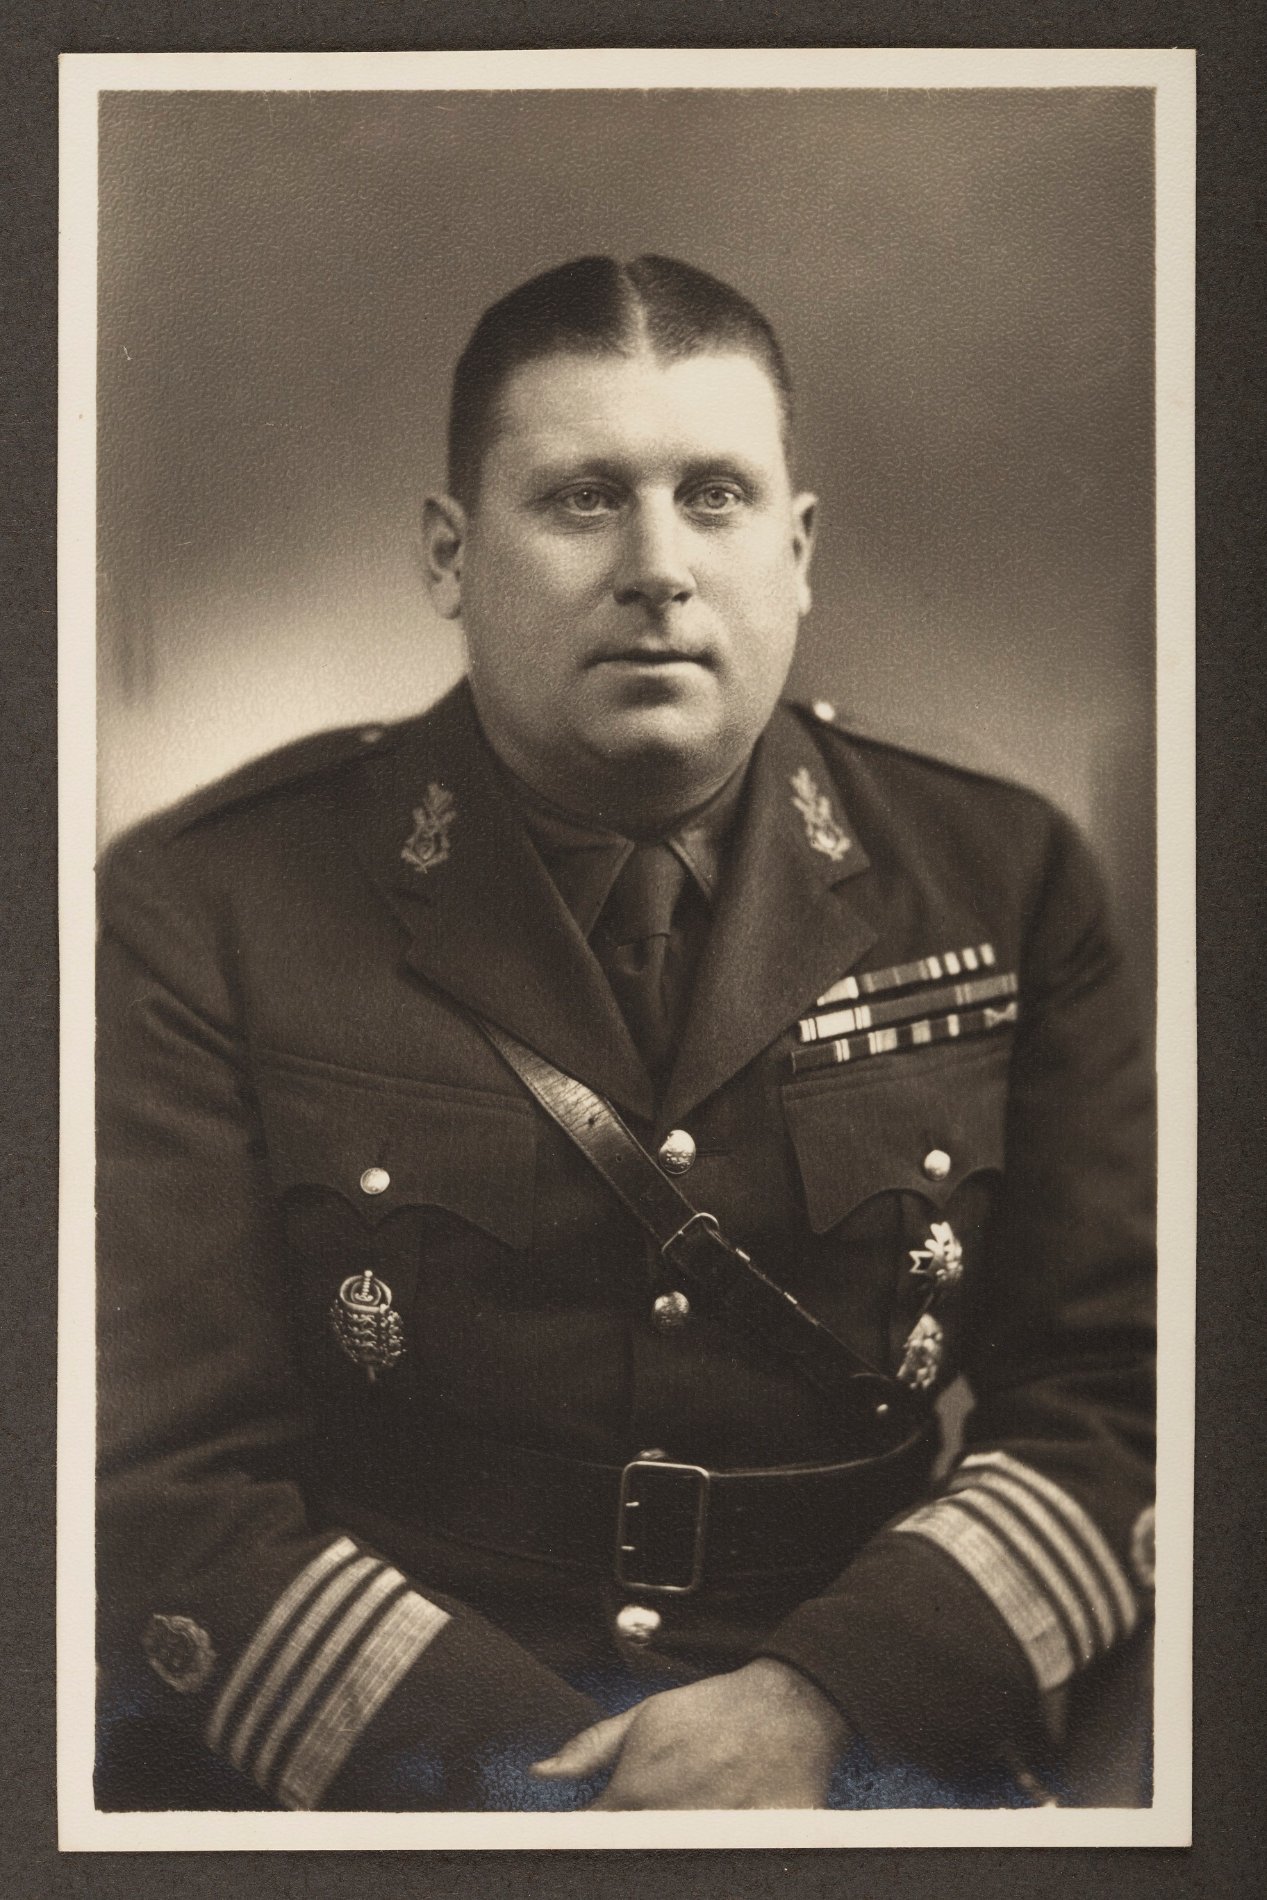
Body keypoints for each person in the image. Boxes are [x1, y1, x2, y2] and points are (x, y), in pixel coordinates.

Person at [95, 255, 1156, 1813]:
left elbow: (1129, 1393)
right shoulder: (213, 904)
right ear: (451, 554)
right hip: (393, 1761)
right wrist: (539, 1793)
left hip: (868, 1739)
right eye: (583, 499)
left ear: (797, 551)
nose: (659, 566)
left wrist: (824, 1702)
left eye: (715, 496)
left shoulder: (1004, 876)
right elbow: (147, 1471)